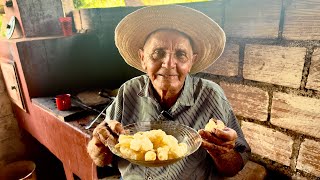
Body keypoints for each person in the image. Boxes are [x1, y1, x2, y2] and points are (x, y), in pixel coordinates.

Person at [87, 5, 251, 180]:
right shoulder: (129, 91)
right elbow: (102, 159)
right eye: (158, 53)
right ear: (143, 58)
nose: (169, 63)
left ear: (191, 62)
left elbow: (234, 166)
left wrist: (222, 152)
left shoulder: (211, 95)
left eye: (180, 54)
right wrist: (98, 144)